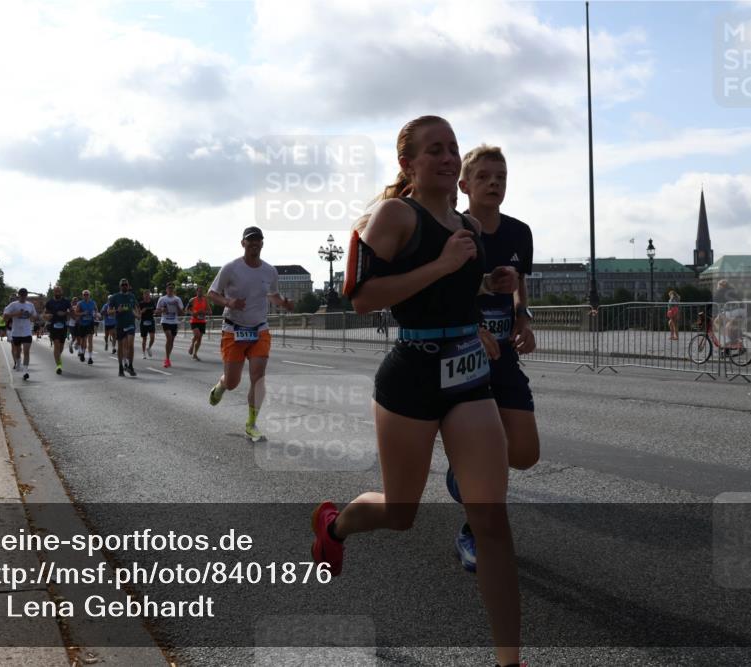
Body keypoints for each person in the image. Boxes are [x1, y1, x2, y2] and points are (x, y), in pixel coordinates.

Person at [310, 116, 520, 667]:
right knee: (402, 512)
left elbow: (455, 294)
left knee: (492, 520)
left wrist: (483, 300)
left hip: (468, 378)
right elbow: (359, 297)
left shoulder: (465, 224)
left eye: (453, 148)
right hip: (411, 375)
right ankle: (334, 525)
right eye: (435, 150)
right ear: (408, 163)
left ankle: (509, 660)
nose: (449, 159)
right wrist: (444, 264)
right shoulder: (395, 215)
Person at [444, 144, 537, 574]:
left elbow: (519, 283)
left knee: (524, 453)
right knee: (487, 457)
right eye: (484, 176)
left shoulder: (519, 232)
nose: (494, 182)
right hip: (463, 359)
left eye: (500, 175)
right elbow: (439, 294)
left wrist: (522, 317)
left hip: (504, 357)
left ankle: (461, 472)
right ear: (464, 185)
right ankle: (473, 529)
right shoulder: (454, 232)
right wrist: (471, 327)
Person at [207, 226, 295, 441]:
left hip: (259, 329)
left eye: (258, 240)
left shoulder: (270, 271)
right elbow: (212, 293)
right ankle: (222, 385)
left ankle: (251, 424)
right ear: (243, 243)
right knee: (233, 381)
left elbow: (271, 295)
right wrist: (229, 302)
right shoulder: (231, 268)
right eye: (250, 240)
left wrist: (282, 303)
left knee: (258, 379)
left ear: (262, 243)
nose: (254, 243)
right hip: (234, 329)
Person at [3, 288, 37, 380]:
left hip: (27, 332)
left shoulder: (30, 305)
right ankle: (18, 363)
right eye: (21, 295)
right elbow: (4, 317)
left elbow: (35, 318)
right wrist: (16, 314)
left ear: (26, 295)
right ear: (19, 295)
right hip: (16, 332)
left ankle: (25, 372)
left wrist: (30, 315)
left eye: (25, 295)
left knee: (26, 352)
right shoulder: (13, 305)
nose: (23, 296)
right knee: (17, 352)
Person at [110, 279, 140, 377]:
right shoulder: (115, 297)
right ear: (120, 286)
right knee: (121, 347)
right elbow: (108, 311)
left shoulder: (132, 296)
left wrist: (137, 315)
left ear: (128, 286)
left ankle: (130, 365)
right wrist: (117, 310)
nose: (124, 286)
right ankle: (121, 367)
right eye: (122, 285)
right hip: (120, 324)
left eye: (126, 285)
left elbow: (134, 308)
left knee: (130, 344)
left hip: (130, 323)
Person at [155, 283, 185, 368]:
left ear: (174, 289)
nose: (170, 290)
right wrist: (162, 310)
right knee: (169, 337)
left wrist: (177, 306)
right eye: (169, 288)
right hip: (165, 320)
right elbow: (156, 312)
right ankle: (167, 359)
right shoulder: (162, 299)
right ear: (166, 289)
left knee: (171, 341)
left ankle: (168, 358)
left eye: (172, 288)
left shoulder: (177, 299)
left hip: (174, 322)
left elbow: (182, 313)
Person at [43, 285, 72, 375]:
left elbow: (71, 311)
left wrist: (66, 313)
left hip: (63, 326)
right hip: (53, 326)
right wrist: (47, 316)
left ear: (61, 292)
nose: (57, 293)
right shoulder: (50, 302)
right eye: (56, 291)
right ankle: (59, 365)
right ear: (54, 292)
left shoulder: (66, 302)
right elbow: (44, 314)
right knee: (56, 344)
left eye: (59, 291)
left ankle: (57, 357)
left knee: (61, 347)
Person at [713, 280, 744, 348]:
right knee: (730, 325)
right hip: (741, 309)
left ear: (721, 285)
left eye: (718, 285)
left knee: (717, 322)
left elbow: (713, 301)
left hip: (733, 310)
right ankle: (736, 340)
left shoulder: (720, 291)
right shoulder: (732, 290)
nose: (717, 286)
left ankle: (727, 341)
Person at [186, 285, 212, 361]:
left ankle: (195, 354)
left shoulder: (205, 300)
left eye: (202, 291)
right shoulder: (192, 300)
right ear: (196, 292)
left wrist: (204, 312)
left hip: (202, 321)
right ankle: (191, 346)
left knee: (199, 339)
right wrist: (193, 313)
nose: (200, 292)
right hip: (194, 321)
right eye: (199, 291)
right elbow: (187, 310)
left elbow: (210, 312)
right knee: (197, 335)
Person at [76, 290, 98, 364]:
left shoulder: (93, 303)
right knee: (83, 341)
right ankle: (82, 353)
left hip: (90, 323)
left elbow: (96, 310)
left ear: (89, 295)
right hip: (82, 324)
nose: (86, 296)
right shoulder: (80, 303)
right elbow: (76, 313)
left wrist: (95, 314)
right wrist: (83, 313)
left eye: (87, 294)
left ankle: (90, 358)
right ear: (82, 296)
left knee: (90, 340)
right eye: (84, 295)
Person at [139, 291, 157, 359]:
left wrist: (155, 311)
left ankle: (149, 347)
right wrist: (142, 311)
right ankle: (143, 354)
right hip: (143, 321)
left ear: (149, 295)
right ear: (143, 296)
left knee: (152, 337)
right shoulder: (141, 304)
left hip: (151, 321)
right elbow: (138, 313)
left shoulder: (152, 302)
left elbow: (155, 311)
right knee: (144, 339)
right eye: (145, 295)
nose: (147, 296)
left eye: (148, 295)